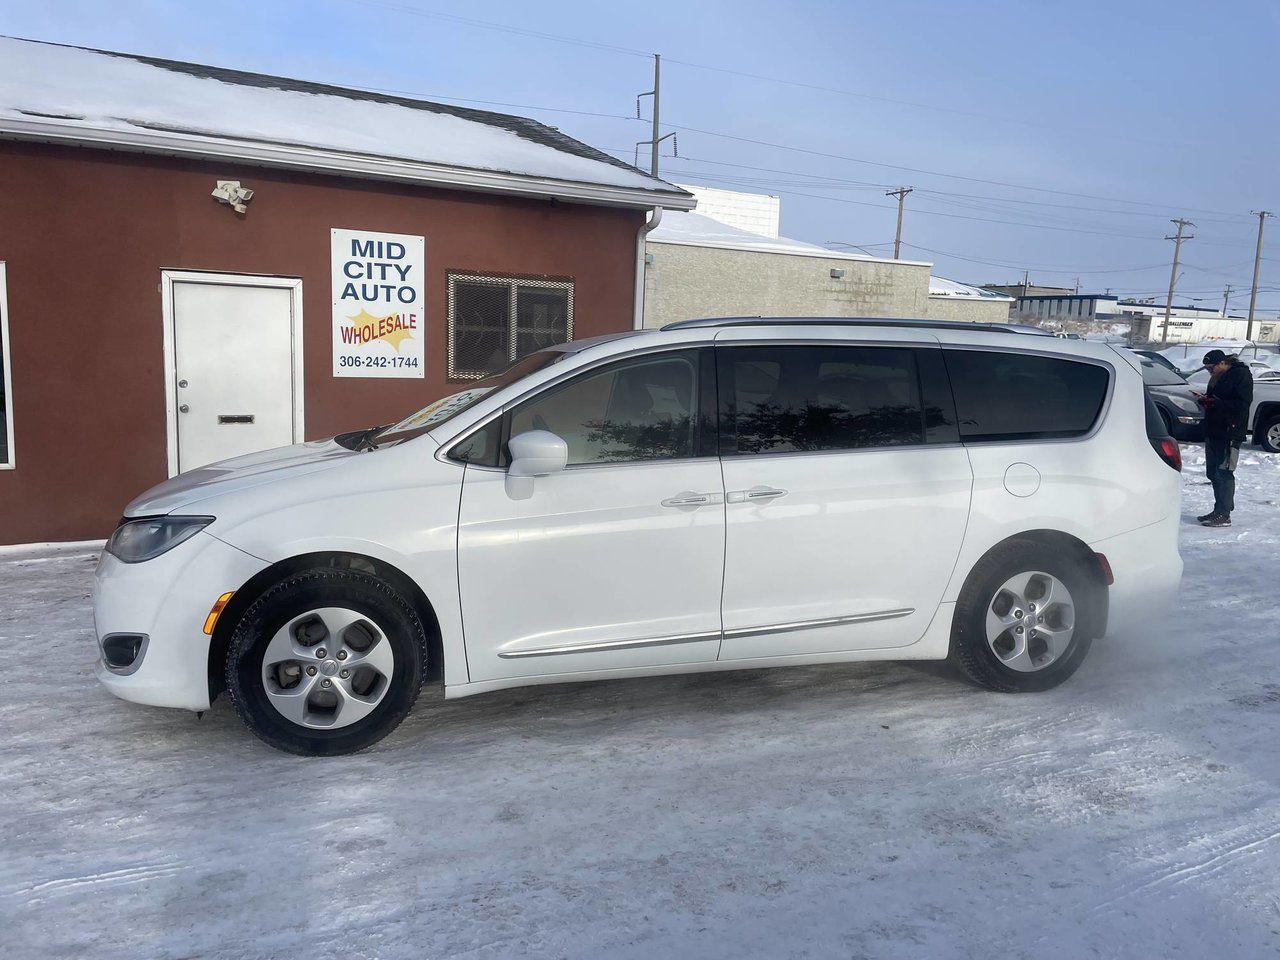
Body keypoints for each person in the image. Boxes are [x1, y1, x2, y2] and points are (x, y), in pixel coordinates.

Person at [1193, 349, 1254, 527]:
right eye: (1206, 369)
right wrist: (1205, 400)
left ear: (1222, 363)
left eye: (1211, 368)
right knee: (1212, 472)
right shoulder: (1218, 377)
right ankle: (1219, 508)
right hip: (1214, 429)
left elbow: (1242, 404)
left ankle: (1224, 513)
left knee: (1223, 471)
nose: (1209, 371)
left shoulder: (1240, 375)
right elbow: (1216, 400)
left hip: (1230, 431)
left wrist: (1215, 403)